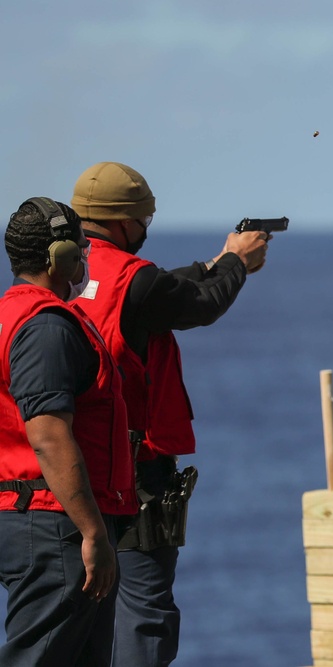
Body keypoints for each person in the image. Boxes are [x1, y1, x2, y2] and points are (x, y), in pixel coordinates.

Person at [69, 162, 269, 667]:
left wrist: (215, 261)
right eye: (143, 220)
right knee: (144, 612)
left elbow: (157, 292)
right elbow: (199, 304)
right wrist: (238, 264)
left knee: (74, 612)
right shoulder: (136, 281)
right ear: (123, 223)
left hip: (64, 468)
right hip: (132, 474)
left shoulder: (64, 274)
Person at [0, 197, 137, 666]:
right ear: (59, 258)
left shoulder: (12, 316)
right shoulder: (46, 329)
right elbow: (49, 436)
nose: (85, 258)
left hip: (36, 516)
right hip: (54, 525)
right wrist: (92, 532)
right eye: (81, 248)